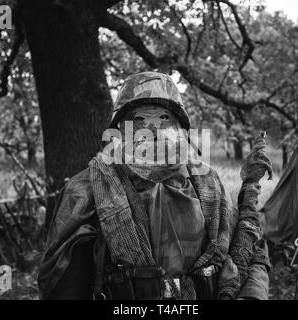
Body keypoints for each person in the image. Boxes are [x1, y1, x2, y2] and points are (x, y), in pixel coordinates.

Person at [37, 71, 271, 300]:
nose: (154, 130)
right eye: (140, 120)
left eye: (164, 118)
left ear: (180, 127)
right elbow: (63, 283)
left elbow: (249, 251)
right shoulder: (88, 188)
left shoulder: (210, 184)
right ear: (121, 130)